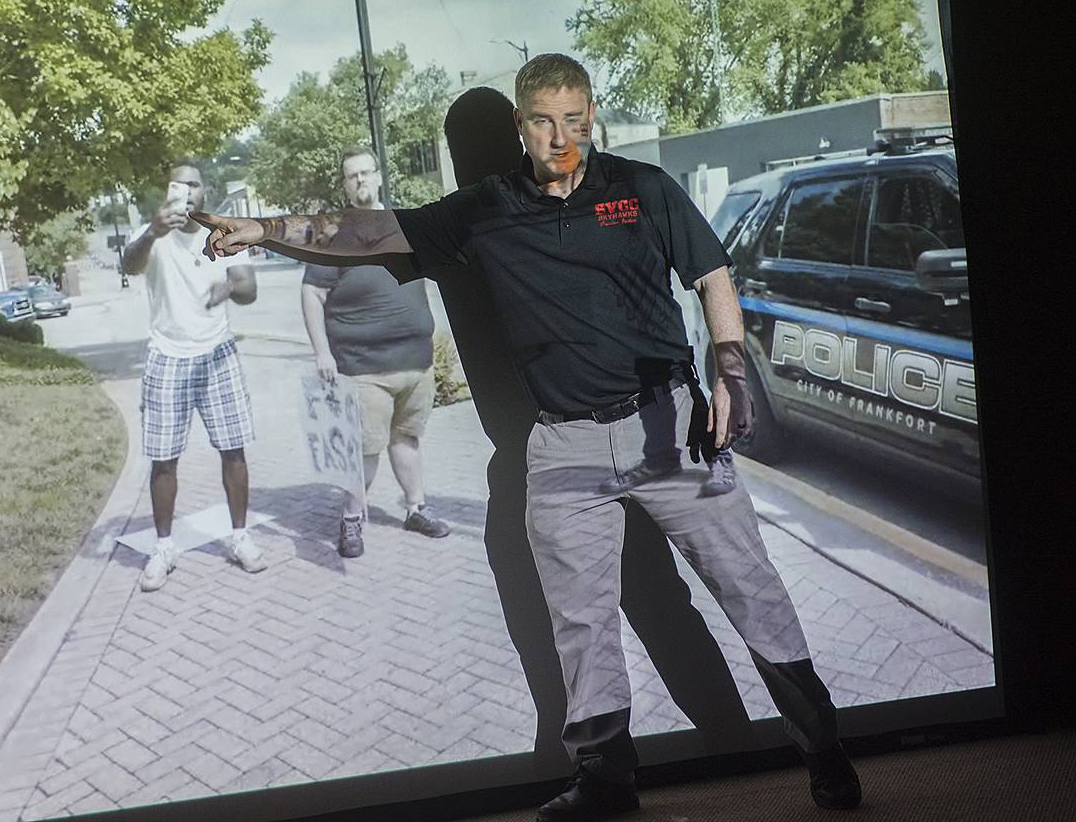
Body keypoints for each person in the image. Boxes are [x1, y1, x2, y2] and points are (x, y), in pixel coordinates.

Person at [190, 55, 862, 818]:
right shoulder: (481, 211)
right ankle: (608, 780)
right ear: (520, 126)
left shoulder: (643, 189)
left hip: (667, 428)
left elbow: (711, 275)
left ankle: (823, 749)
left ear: (592, 115)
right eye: (545, 122)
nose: (563, 137)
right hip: (564, 448)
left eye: (576, 120)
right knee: (580, 627)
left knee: (753, 591)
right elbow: (363, 231)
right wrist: (262, 229)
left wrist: (731, 369)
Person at [430, 87, 757, 774]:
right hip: (622, 442)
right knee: (663, 610)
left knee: (559, 648)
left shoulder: (458, 231)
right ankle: (739, 749)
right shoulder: (566, 212)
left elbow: (354, 234)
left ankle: (598, 773)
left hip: (538, 466)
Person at [121, 159, 267, 592]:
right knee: (163, 458)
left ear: (206, 193)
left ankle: (239, 537)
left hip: (218, 352)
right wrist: (152, 231)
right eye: (178, 185)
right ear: (168, 192)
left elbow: (248, 287)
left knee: (233, 450)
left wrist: (229, 288)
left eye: (195, 185)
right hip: (167, 355)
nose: (187, 192)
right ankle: (164, 547)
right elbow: (129, 266)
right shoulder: (152, 235)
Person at [301, 146, 450, 557]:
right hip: (364, 367)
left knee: (407, 439)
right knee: (364, 450)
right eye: (353, 175)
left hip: (416, 362)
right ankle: (351, 520)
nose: (362, 180)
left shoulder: (406, 225)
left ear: (379, 176)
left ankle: (416, 508)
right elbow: (312, 294)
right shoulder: (332, 233)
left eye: (367, 172)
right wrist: (322, 353)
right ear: (345, 184)